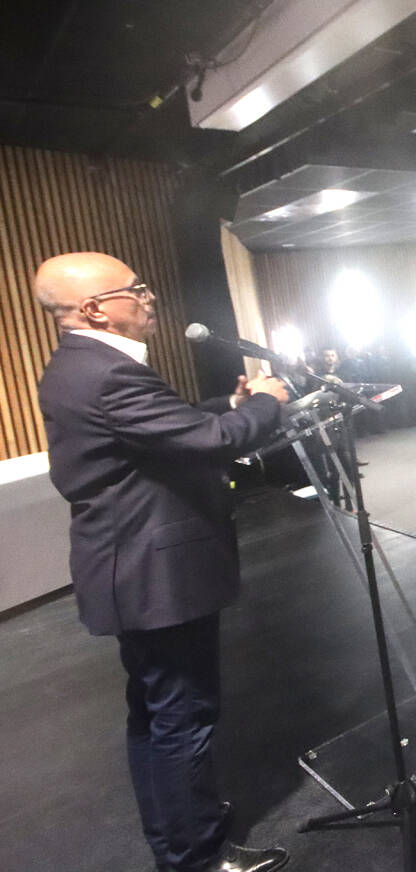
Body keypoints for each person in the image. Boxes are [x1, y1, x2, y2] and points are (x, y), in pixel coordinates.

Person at [33, 252, 291, 872]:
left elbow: (160, 428)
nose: (149, 297)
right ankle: (195, 856)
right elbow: (211, 442)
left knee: (154, 716)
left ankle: (177, 836)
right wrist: (266, 403)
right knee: (183, 716)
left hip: (128, 565)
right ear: (95, 309)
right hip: (156, 573)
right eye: (137, 289)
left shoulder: (79, 366)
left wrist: (228, 404)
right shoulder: (109, 373)